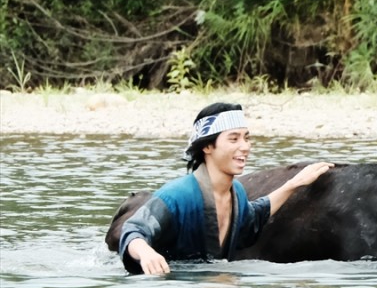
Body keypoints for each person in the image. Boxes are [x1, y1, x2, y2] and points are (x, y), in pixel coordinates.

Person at [118, 102, 334, 275]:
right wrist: (146, 253)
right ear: (207, 146)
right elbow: (134, 231)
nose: (245, 146)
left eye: (246, 138)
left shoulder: (237, 194)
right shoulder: (178, 195)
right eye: (234, 139)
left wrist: (294, 184)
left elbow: (256, 216)